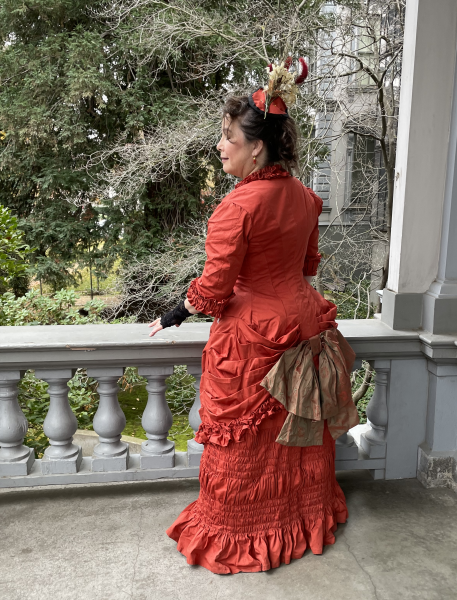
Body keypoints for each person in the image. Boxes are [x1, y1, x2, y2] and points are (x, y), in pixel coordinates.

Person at [149, 59, 359, 574]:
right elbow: (305, 267)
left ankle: (243, 533)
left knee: (248, 441)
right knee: (290, 435)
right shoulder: (306, 198)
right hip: (304, 323)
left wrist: (174, 314)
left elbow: (215, 289)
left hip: (253, 335)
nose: (220, 146)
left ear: (257, 146)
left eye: (228, 138)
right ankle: (299, 519)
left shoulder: (237, 208)